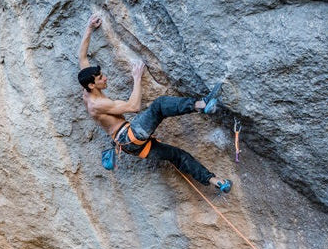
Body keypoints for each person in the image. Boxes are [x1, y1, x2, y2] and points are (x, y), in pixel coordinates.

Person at [77, 14, 232, 192]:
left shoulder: (86, 86)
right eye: (100, 78)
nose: (105, 78)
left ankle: (217, 182)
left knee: (177, 156)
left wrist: (89, 28)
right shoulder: (96, 104)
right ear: (91, 84)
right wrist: (137, 78)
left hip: (132, 147)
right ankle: (202, 105)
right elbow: (133, 107)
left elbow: (82, 58)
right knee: (159, 105)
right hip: (130, 136)